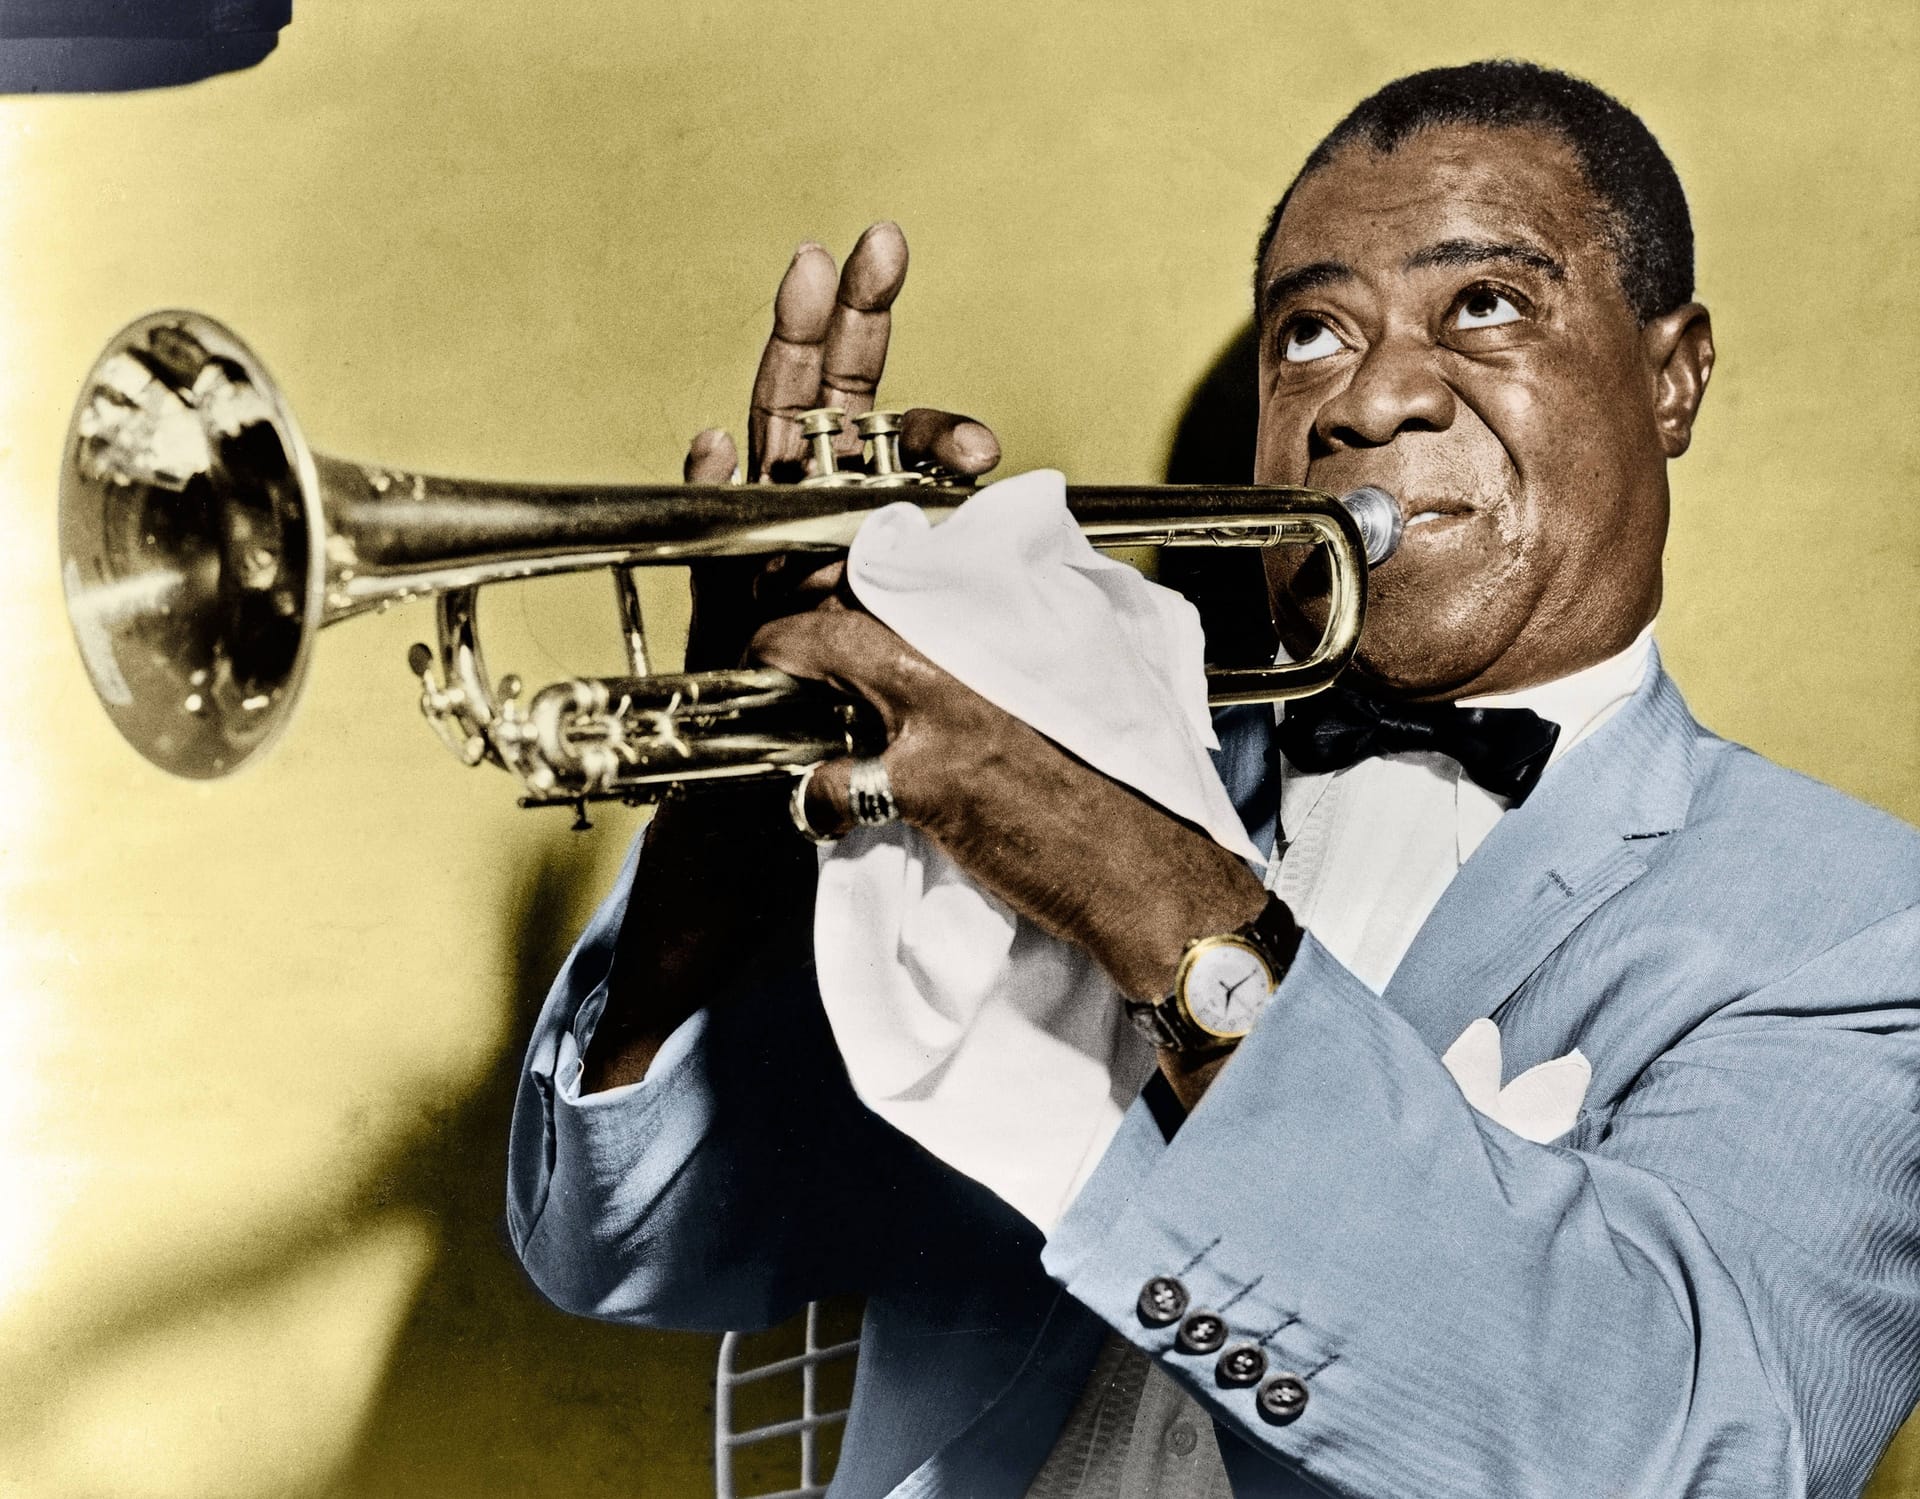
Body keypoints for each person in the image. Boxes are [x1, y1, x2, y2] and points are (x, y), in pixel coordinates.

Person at [506, 61, 1920, 1498]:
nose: (1370, 397)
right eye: (1310, 334)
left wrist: (1147, 889)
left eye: (1485, 304)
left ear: (1672, 376)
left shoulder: (1860, 923)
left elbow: (1709, 1456)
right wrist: (738, 798)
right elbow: (624, 1245)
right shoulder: (1082, 763)